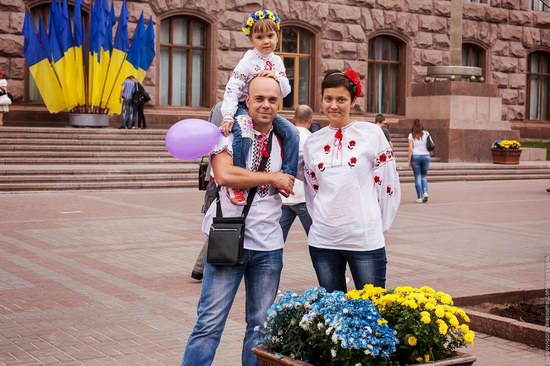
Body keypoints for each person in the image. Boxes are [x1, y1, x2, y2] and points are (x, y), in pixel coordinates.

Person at [181, 76, 295, 366]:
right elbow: (225, 175)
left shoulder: (285, 139)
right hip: (227, 241)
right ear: (247, 100)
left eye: (272, 100)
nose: (266, 105)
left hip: (269, 245)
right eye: (259, 99)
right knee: (209, 324)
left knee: (260, 327)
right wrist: (273, 177)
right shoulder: (226, 134)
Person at [302, 69, 401, 293]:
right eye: (328, 99)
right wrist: (321, 221)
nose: (334, 105)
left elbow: (388, 186)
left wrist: (378, 226)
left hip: (364, 238)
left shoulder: (372, 135)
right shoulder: (313, 142)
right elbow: (312, 190)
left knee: (371, 310)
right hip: (323, 240)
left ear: (353, 101)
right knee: (333, 314)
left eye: (341, 99)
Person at [219, 9, 298, 206]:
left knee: (292, 132)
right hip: (242, 108)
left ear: (277, 36)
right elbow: (232, 89)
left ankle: (287, 177)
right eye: (259, 37)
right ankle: (236, 185)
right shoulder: (247, 61)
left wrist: (277, 77)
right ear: (251, 40)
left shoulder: (277, 61)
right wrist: (229, 116)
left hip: (265, 108)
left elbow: (286, 91)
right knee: (244, 134)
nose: (266, 41)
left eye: (270, 36)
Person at [280, 105, 313, 241]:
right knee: (315, 240)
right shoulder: (312, 140)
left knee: (276, 240)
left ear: (294, 118)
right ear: (311, 121)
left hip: (284, 196)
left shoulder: (284, 137)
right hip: (303, 197)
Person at [407, 118, 431, 203]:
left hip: (415, 157)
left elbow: (410, 149)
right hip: (426, 156)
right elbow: (430, 144)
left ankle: (420, 197)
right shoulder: (426, 133)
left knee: (417, 177)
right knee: (424, 176)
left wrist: (409, 160)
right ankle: (425, 192)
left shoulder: (411, 135)